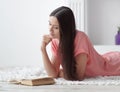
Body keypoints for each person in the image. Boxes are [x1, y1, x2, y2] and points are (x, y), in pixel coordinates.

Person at [41, 6, 120, 81]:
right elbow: (53, 74)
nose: (50, 30)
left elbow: (78, 76)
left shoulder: (80, 38)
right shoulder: (55, 40)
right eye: (50, 24)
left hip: (113, 66)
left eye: (56, 27)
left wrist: (61, 72)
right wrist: (43, 49)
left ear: (66, 28)